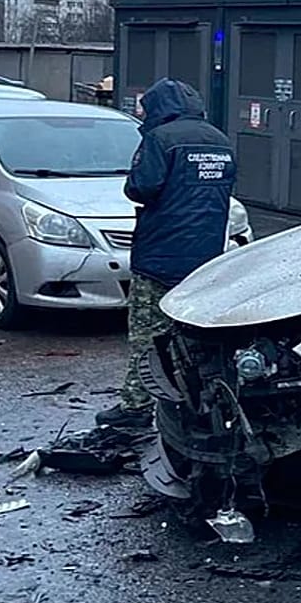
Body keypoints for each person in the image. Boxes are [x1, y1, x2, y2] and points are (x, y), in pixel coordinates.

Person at [96, 78, 237, 428]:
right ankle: (194, 401)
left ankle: (136, 407)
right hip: (204, 256)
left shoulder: (160, 140)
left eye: (146, 109)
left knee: (147, 335)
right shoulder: (221, 140)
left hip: (161, 254)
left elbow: (141, 187)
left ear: (160, 108)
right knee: (194, 335)